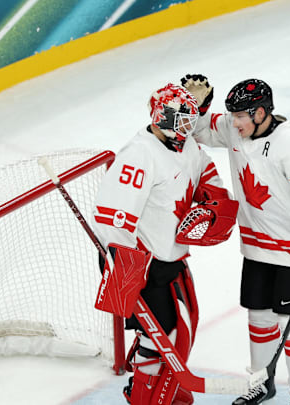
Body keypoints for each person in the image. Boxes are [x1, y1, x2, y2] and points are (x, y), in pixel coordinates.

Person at [183, 75, 290, 405]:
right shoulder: (236, 128)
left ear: (262, 113)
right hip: (255, 249)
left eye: (241, 116)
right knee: (259, 319)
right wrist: (198, 106)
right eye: (232, 116)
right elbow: (199, 128)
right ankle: (261, 383)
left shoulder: (289, 143)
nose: (233, 123)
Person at [91, 83, 236, 404]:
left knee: (183, 328)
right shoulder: (139, 155)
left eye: (190, 120)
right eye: (181, 120)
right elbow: (111, 221)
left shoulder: (185, 147)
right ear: (160, 118)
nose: (187, 127)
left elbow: (205, 173)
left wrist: (212, 202)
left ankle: (163, 390)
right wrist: (127, 277)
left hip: (172, 258)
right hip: (143, 264)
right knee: (161, 337)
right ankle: (146, 395)